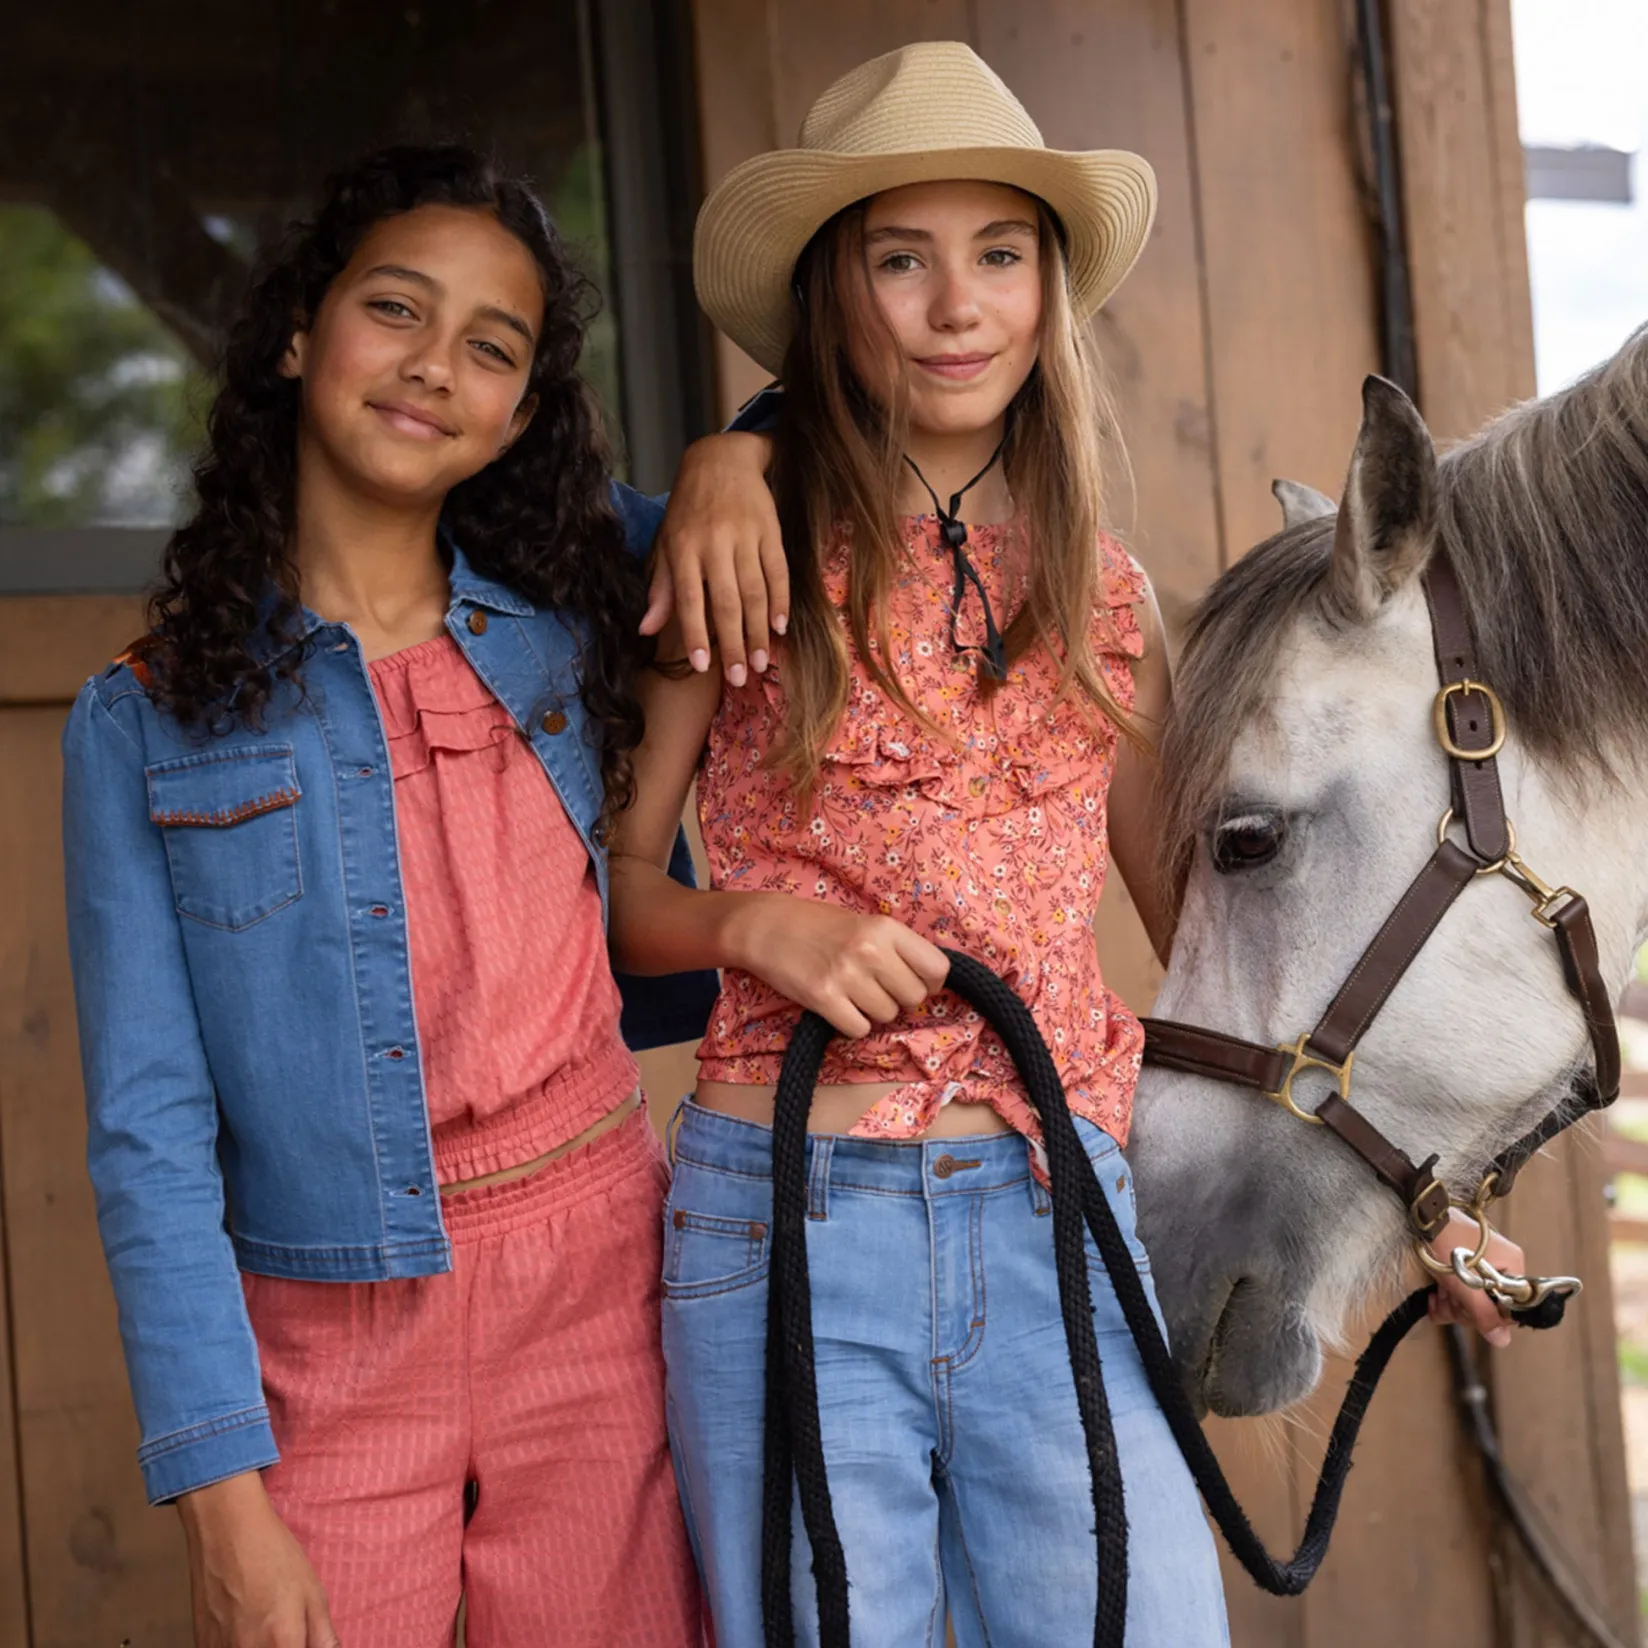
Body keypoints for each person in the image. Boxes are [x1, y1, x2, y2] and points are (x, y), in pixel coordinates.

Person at [611, 40, 1523, 1646]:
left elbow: (1230, 958)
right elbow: (617, 900)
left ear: (1047, 291)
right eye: (902, 260)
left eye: (1000, 255)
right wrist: (755, 927)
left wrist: (1419, 1192)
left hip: (1057, 1211)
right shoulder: (742, 560)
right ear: (835, 296)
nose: (957, 306)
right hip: (788, 1219)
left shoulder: (1104, 597)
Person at [62, 143, 778, 1648]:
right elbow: (147, 1135)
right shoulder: (144, 719)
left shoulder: (578, 609)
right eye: (396, 308)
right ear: (298, 335)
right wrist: (221, 1499)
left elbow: (829, 490)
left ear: (520, 414)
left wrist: (738, 454)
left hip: (599, 1291)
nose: (437, 364)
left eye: (493, 347)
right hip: (324, 1331)